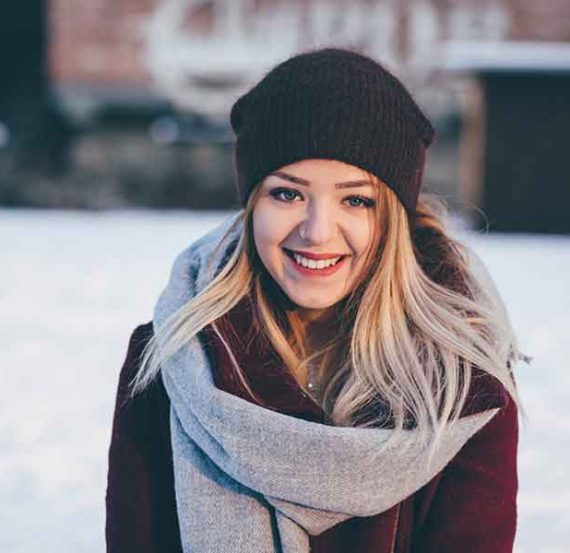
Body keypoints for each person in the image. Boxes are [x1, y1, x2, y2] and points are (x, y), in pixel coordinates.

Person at [106, 48, 527, 553]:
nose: (317, 232)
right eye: (287, 194)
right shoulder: (170, 361)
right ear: (251, 204)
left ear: (392, 218)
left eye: (356, 199)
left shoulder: (462, 385)